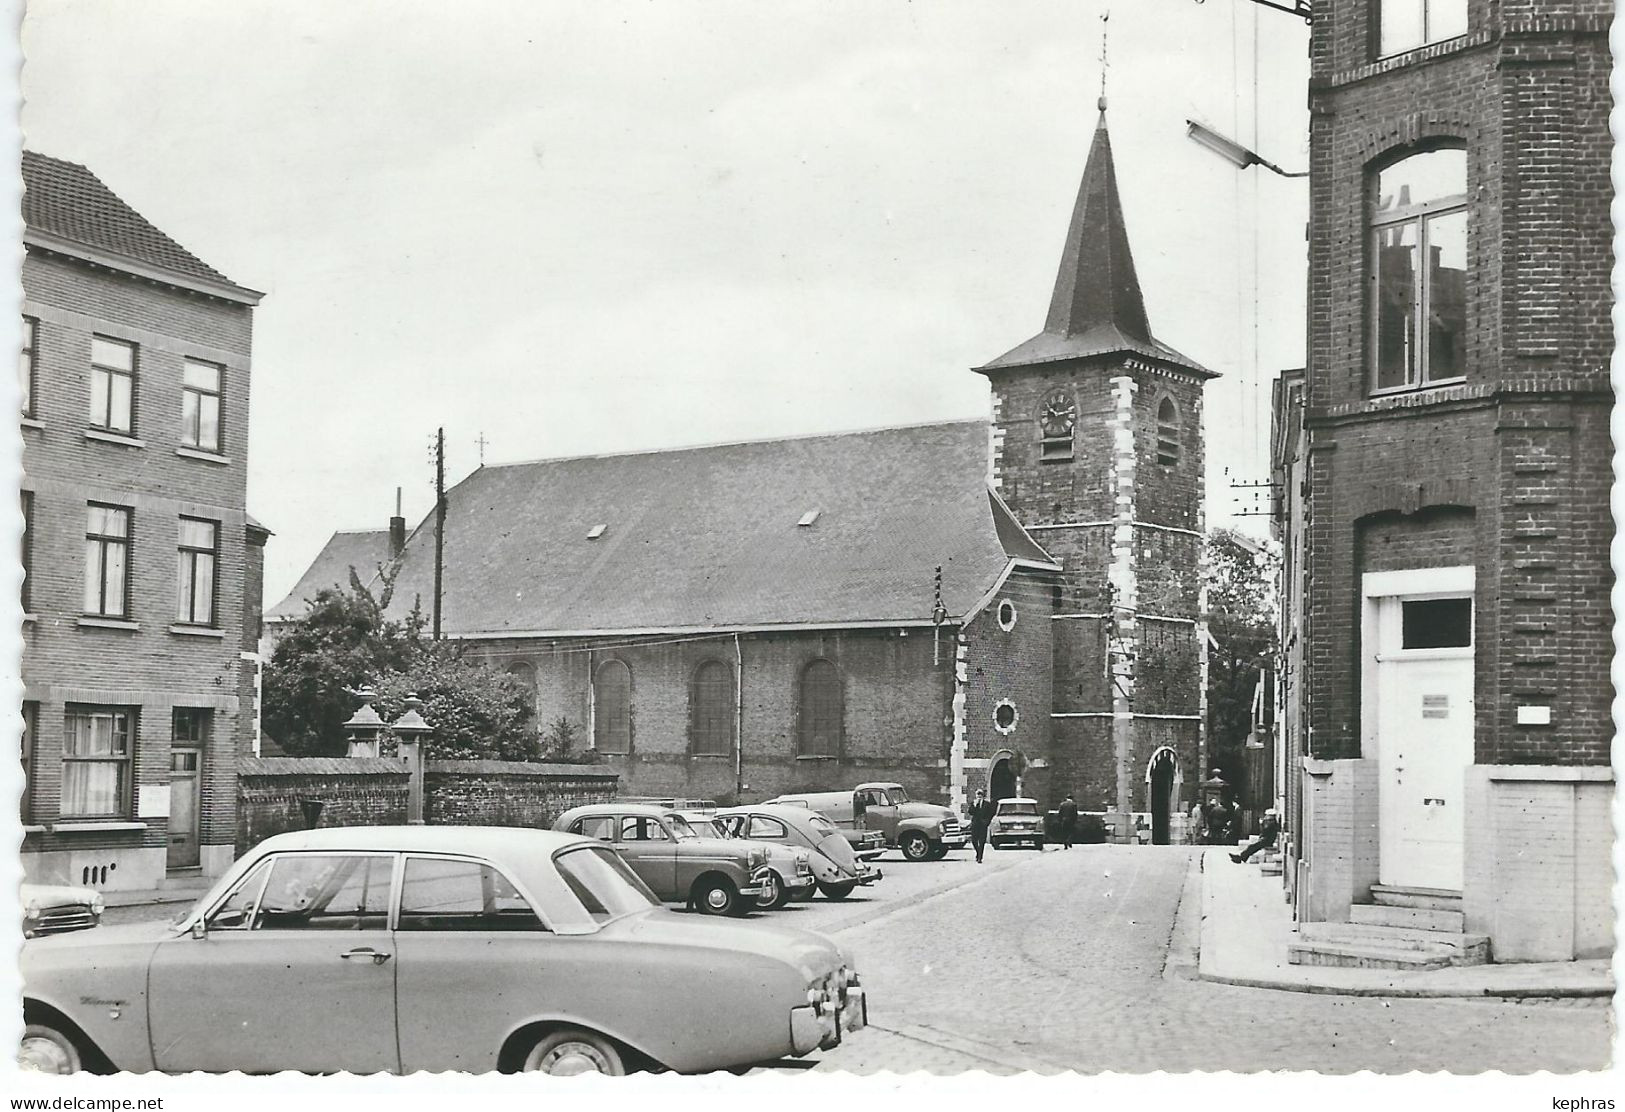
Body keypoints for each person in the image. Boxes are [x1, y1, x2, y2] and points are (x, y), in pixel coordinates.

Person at [968, 789, 996, 863]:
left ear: (982, 796)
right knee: (974, 840)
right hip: (975, 824)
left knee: (982, 841)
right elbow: (970, 812)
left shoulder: (987, 804)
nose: (979, 796)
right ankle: (978, 852)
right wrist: (974, 805)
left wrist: (987, 821)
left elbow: (991, 813)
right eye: (978, 795)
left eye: (980, 795)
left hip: (983, 825)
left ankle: (980, 857)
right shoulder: (973, 803)